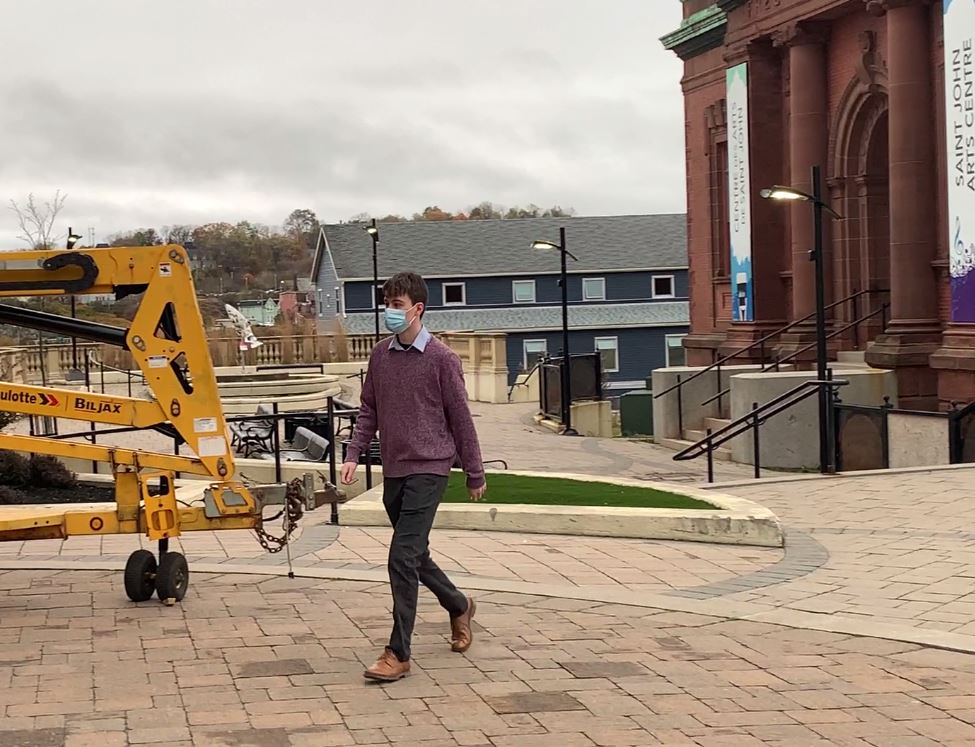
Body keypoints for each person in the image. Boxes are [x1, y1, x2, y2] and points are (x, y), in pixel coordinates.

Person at [341, 271, 486, 683]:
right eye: (386, 303)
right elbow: (368, 409)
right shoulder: (380, 356)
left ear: (417, 309)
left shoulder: (442, 359)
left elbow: (461, 420)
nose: (390, 311)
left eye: (397, 305)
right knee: (415, 555)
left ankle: (397, 652)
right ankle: (458, 605)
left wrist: (474, 472)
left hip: (431, 467)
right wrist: (354, 453)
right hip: (396, 470)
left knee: (401, 557)